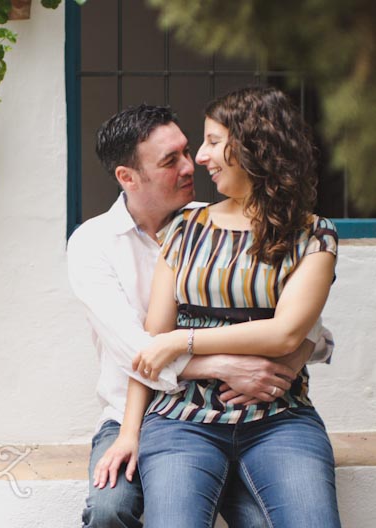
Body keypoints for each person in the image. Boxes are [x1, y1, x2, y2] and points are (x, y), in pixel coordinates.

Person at [67, 103, 333, 527]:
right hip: (140, 413)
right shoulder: (93, 243)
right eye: (171, 161)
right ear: (127, 177)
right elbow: (139, 348)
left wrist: (293, 350)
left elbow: (300, 322)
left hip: (248, 411)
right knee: (108, 508)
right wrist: (226, 365)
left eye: (191, 150)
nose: (192, 165)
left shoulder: (212, 222)